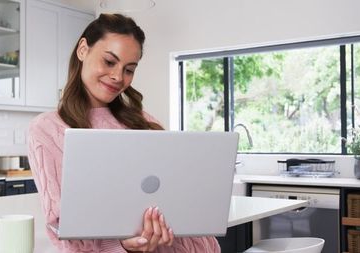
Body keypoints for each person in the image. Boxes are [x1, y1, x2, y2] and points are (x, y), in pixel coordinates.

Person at [28, 13, 221, 253]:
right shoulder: (47, 129)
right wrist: (121, 245)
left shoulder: (144, 120)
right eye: (109, 62)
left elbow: (178, 196)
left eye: (129, 69)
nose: (118, 77)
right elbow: (63, 233)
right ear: (82, 50)